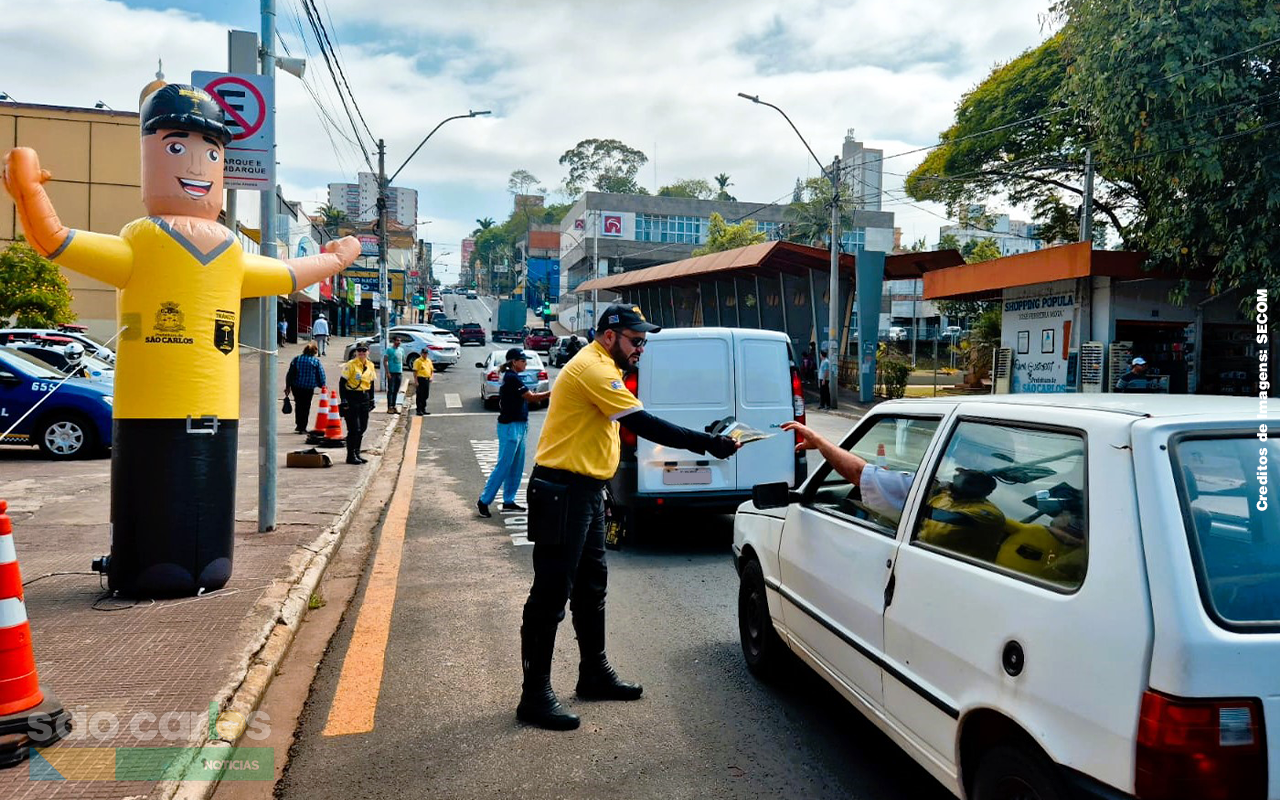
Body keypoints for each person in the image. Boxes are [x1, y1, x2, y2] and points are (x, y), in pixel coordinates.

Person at [517, 303, 741, 731]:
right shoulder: (595, 370)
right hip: (563, 491)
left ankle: (594, 673)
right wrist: (708, 444)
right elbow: (645, 423)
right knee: (550, 595)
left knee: (591, 588)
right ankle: (534, 696)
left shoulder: (604, 366)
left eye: (644, 341)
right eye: (636, 341)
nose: (642, 348)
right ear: (608, 336)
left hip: (584, 491)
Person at [477, 349, 551, 518]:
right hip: (510, 426)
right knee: (503, 466)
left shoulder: (515, 377)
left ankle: (509, 500)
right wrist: (552, 393)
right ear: (514, 362)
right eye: (523, 361)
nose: (525, 363)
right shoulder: (511, 378)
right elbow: (531, 397)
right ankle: (484, 500)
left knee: (516, 466)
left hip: (520, 424)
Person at [339, 343, 377, 465]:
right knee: (354, 428)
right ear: (356, 352)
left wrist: (372, 399)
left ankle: (357, 452)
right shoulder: (350, 365)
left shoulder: (370, 365)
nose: (361, 353)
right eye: (359, 351)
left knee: (363, 427)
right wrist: (343, 399)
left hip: (364, 397)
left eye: (364, 351)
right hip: (352, 397)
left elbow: (371, 384)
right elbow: (342, 383)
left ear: (368, 352)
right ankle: (350, 455)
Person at [285, 342, 326, 434]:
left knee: (298, 405)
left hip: (297, 386)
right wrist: (322, 385)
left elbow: (290, 373)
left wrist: (288, 386)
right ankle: (303, 426)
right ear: (314, 352)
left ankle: (299, 425)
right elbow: (321, 374)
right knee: (306, 406)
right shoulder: (316, 362)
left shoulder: (297, 359)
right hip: (308, 387)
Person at [383, 336, 404, 413]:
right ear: (394, 341)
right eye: (397, 340)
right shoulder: (389, 350)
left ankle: (394, 405)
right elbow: (385, 361)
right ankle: (389, 407)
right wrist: (387, 372)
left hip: (399, 372)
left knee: (396, 390)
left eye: (400, 341)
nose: (399, 342)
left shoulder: (401, 350)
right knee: (391, 390)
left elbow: (402, 360)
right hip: (391, 372)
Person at [413, 350, 434, 416]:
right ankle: (419, 410)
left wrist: (431, 377)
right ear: (421, 353)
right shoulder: (418, 361)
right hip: (420, 379)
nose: (425, 355)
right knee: (419, 395)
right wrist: (416, 381)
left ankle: (423, 409)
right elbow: (415, 372)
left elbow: (431, 370)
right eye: (424, 353)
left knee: (425, 395)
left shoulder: (428, 361)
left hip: (427, 379)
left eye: (426, 353)